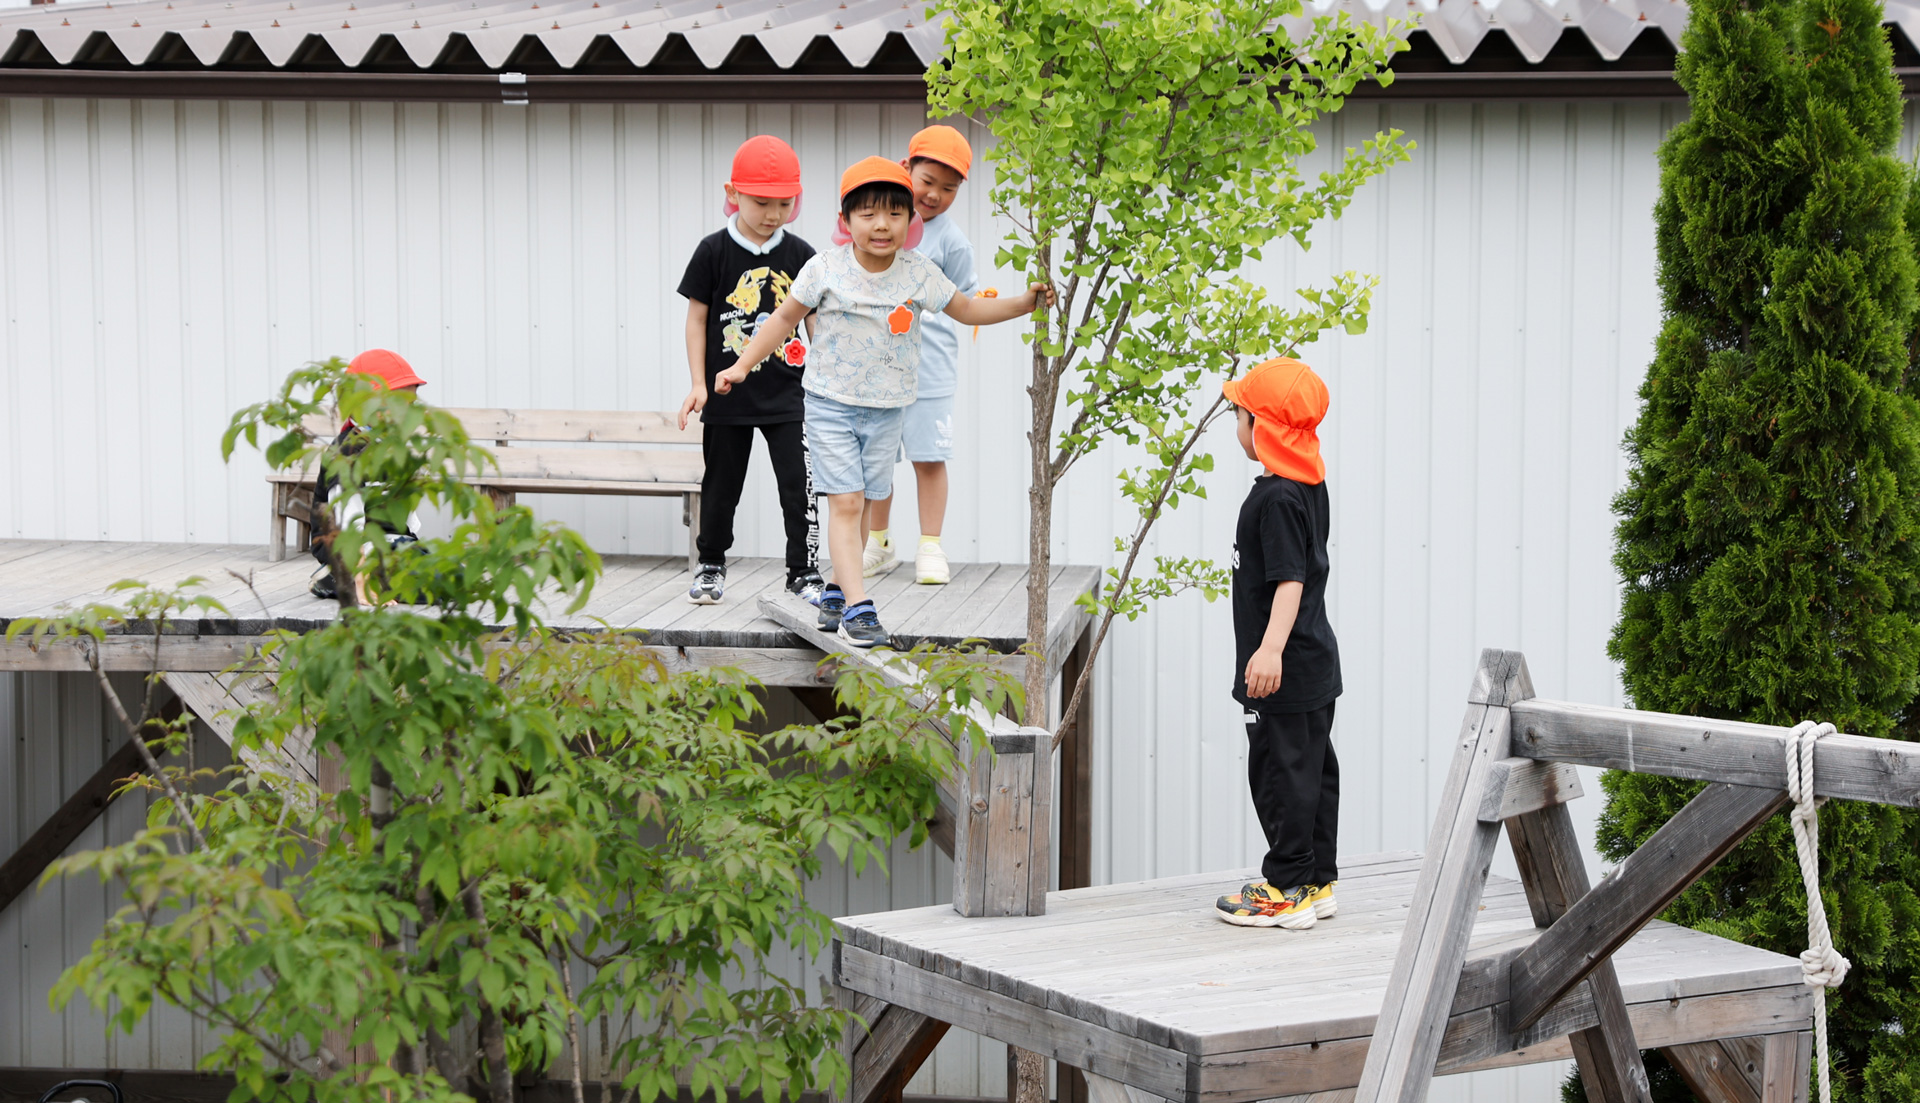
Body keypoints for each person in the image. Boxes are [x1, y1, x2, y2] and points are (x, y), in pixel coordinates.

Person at [713, 157, 1052, 647]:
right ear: (845, 220)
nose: (881, 224)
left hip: (889, 409)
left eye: (895, 214)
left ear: (910, 223)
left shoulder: (919, 273)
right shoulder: (824, 268)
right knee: (846, 502)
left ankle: (834, 591)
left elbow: (967, 308)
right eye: (868, 213)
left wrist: (1023, 303)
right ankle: (858, 608)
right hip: (830, 405)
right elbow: (782, 320)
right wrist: (741, 366)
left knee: (869, 501)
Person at [1212, 357, 1343, 930]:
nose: (1235, 424)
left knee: (1278, 772)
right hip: (1314, 661)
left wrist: (1267, 652)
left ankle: (1286, 888)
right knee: (1312, 770)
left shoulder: (1276, 500)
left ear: (1261, 428)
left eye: (1239, 414)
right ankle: (1317, 882)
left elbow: (1290, 581)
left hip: (1284, 667)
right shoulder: (1307, 485)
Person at [675, 134, 824, 605]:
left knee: (798, 486)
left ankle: (803, 572)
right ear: (732, 193)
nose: (773, 213)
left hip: (790, 396)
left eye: (785, 202)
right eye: (762, 202)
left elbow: (817, 324)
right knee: (720, 487)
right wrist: (698, 384)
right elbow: (697, 318)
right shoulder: (712, 251)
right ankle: (711, 565)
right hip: (725, 393)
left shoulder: (802, 255)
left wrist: (828, 381)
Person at [863, 125, 978, 585]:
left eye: (949, 189)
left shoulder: (952, 242)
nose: (934, 195)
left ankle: (930, 545)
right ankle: (880, 542)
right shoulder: (877, 221)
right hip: (874, 368)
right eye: (928, 181)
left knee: (929, 458)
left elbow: (966, 302)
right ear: (906, 168)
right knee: (876, 460)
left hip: (929, 368)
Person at [312, 348, 428, 606]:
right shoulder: (346, 453)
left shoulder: (392, 447)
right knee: (420, 588)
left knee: (449, 578)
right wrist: (362, 585)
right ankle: (341, 578)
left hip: (389, 543)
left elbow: (406, 515)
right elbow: (347, 522)